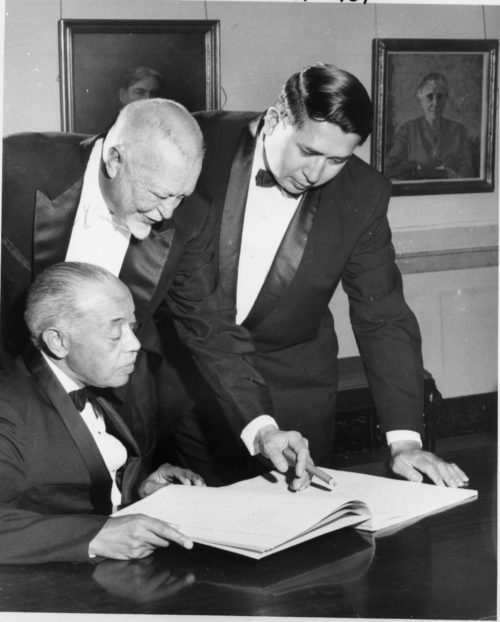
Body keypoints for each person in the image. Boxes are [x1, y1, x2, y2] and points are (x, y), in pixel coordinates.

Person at [170, 63, 469, 488]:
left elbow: (382, 316)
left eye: (336, 160)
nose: (315, 174)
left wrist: (404, 441)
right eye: (307, 152)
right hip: (185, 384)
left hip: (291, 392)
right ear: (274, 119)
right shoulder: (197, 143)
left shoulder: (363, 194)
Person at [1, 97, 311, 492]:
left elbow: (209, 327)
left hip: (118, 410)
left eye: (180, 196)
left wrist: (264, 430)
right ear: (115, 160)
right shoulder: (16, 166)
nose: (168, 214)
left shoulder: (190, 218)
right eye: (159, 195)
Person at [0, 262, 205, 564]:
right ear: (58, 341)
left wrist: (138, 488)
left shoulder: (93, 379)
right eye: (114, 334)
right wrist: (98, 536)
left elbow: (68, 479)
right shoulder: (8, 408)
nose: (135, 345)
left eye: (133, 328)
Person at [385, 72, 474, 180]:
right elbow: (389, 169)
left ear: (446, 98)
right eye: (429, 96)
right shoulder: (407, 130)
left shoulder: (459, 131)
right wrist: (413, 169)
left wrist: (455, 177)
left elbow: (468, 170)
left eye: (440, 96)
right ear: (420, 98)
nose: (435, 103)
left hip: (450, 193)